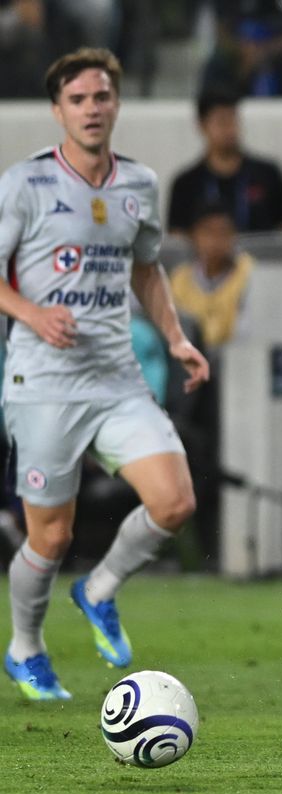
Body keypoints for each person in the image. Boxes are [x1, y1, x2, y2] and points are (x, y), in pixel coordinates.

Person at [0, 47, 210, 700]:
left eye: (101, 97)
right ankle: (26, 649)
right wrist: (33, 313)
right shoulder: (25, 183)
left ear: (116, 103)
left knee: (175, 502)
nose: (91, 109)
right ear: (57, 111)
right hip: (44, 384)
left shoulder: (138, 184)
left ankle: (100, 589)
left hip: (116, 376)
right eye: (78, 100)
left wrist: (175, 339)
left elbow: (146, 268)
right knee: (51, 536)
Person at [167, 87, 282, 235]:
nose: (230, 129)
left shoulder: (268, 174)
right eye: (222, 121)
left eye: (233, 119)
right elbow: (177, 237)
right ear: (202, 126)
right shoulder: (186, 184)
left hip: (263, 250)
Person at [170, 202, 255, 351]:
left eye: (223, 232)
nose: (216, 240)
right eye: (208, 232)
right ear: (193, 236)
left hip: (235, 355)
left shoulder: (250, 273)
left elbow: (248, 332)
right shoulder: (179, 278)